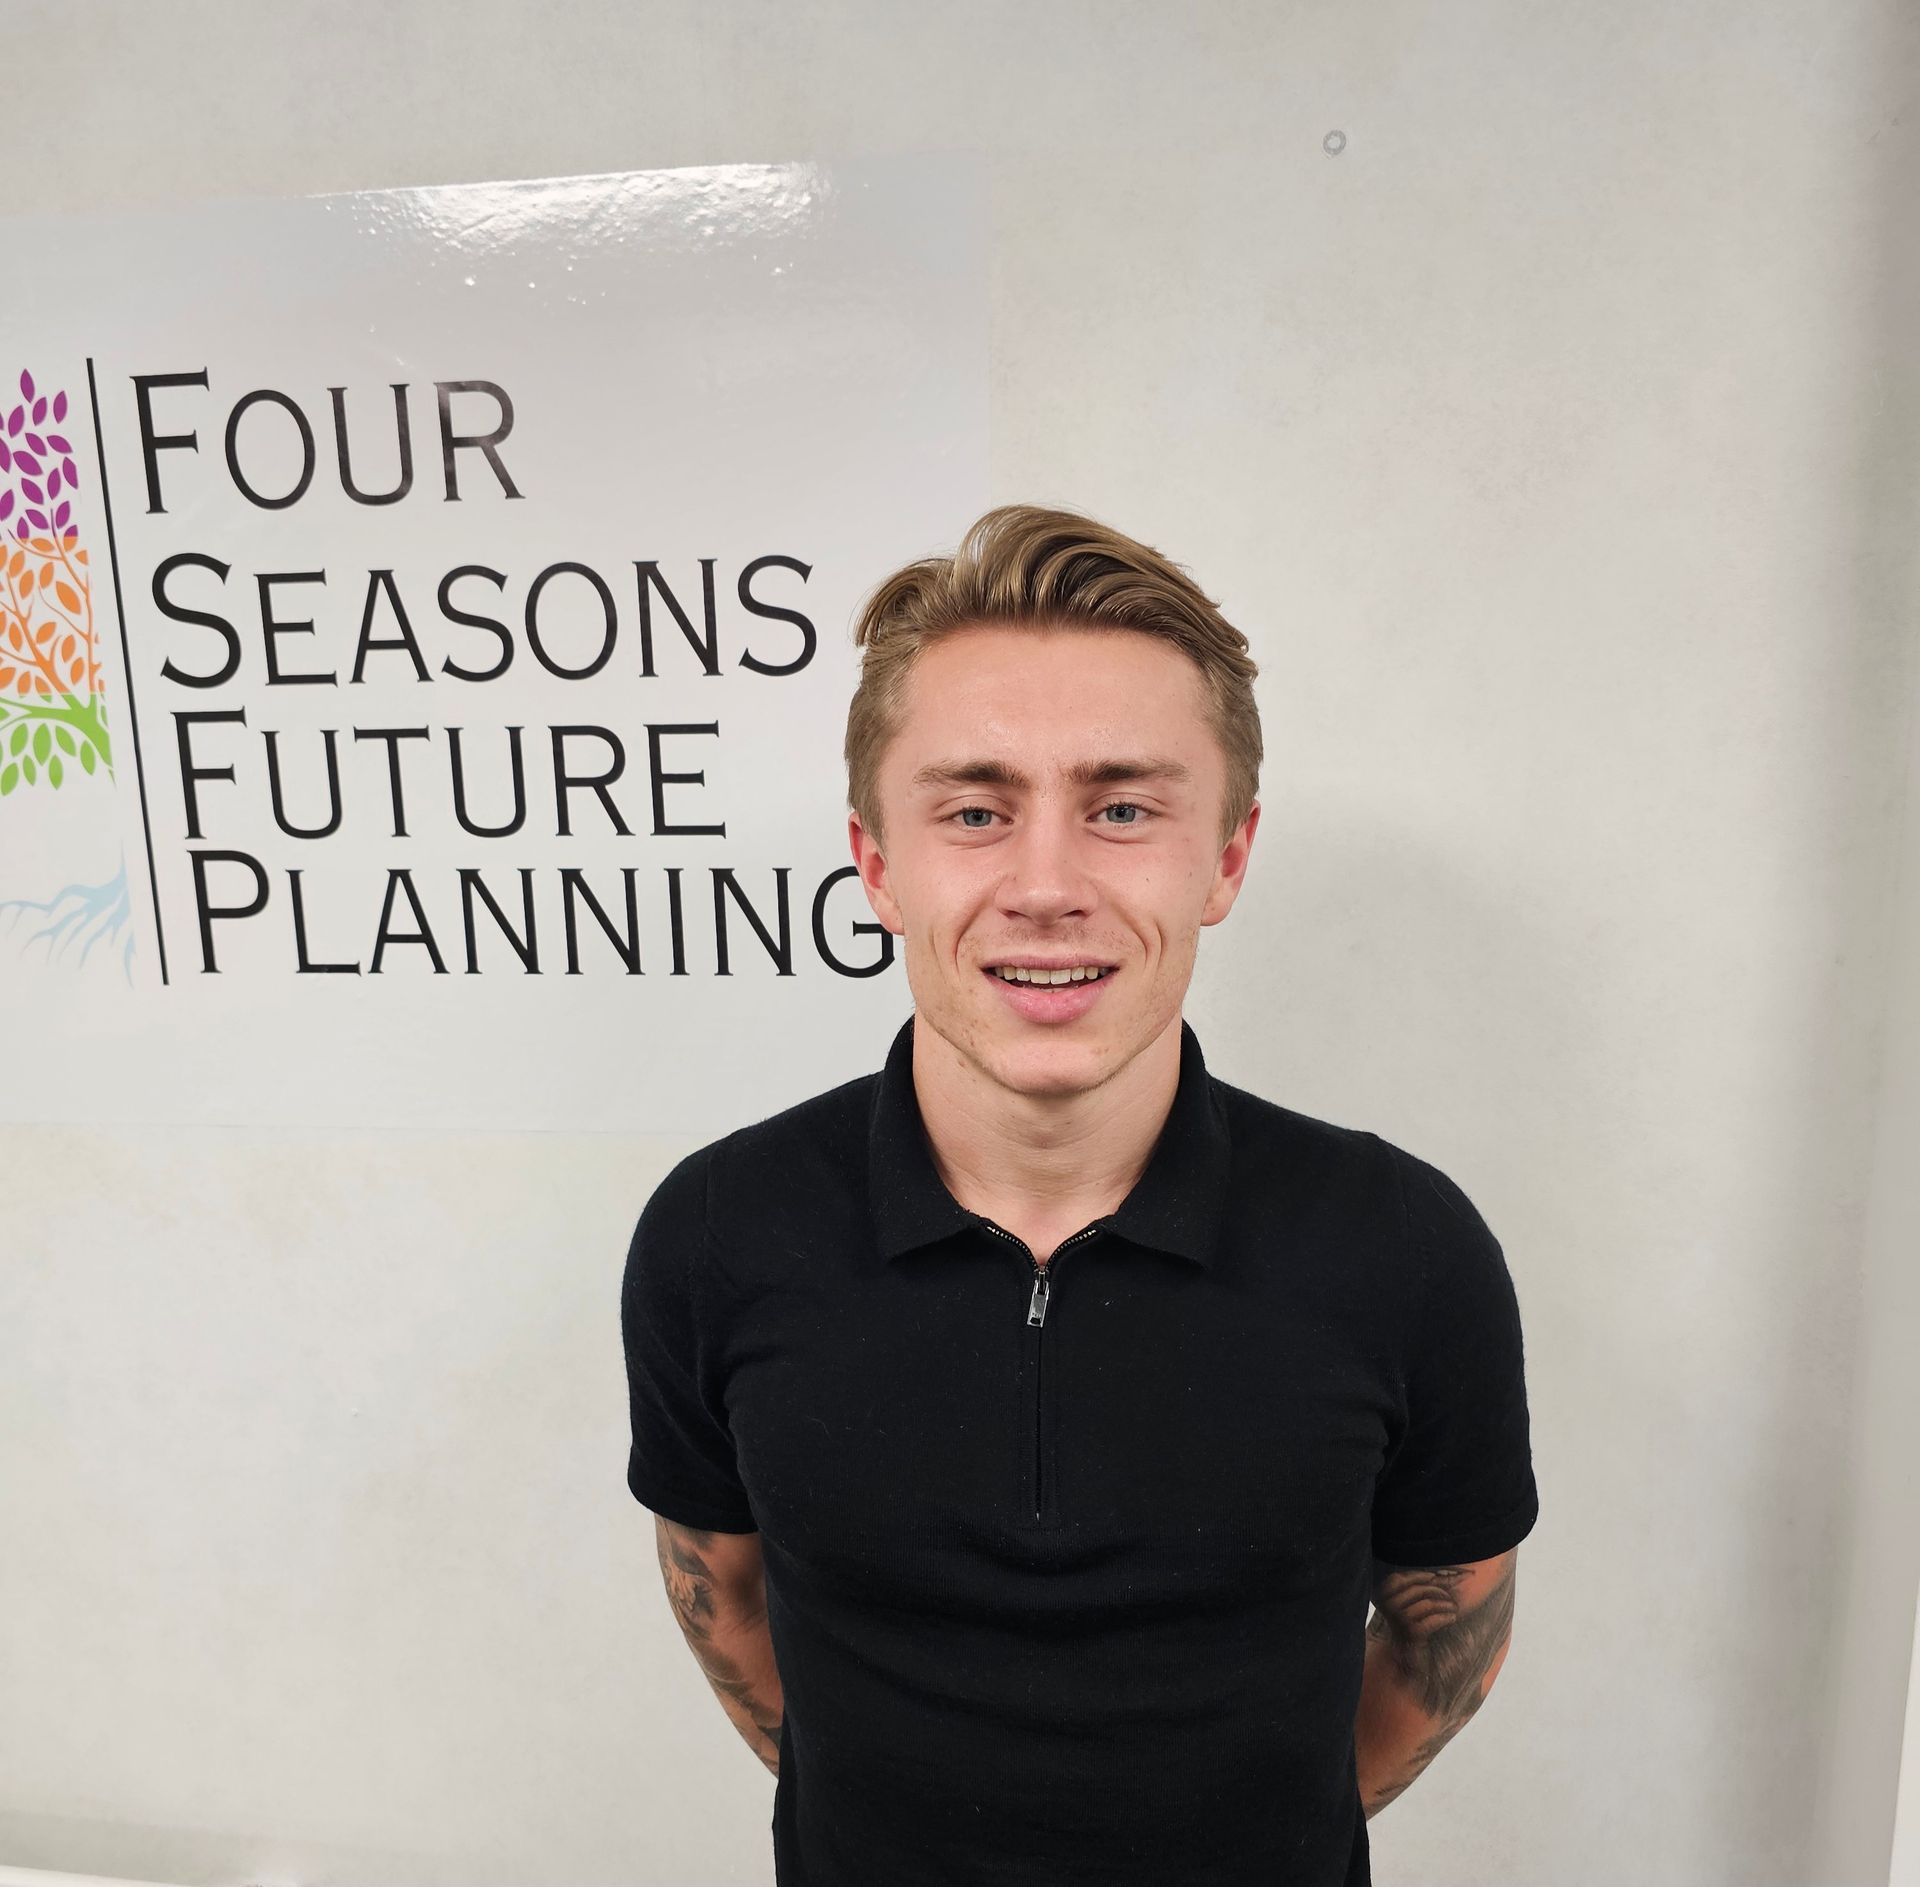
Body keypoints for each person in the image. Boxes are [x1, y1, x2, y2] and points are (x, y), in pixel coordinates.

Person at [621, 504, 1541, 1886]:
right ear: (880, 863)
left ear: (1224, 857)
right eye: (976, 811)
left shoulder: (1405, 1250)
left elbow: (1444, 1642)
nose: (1045, 886)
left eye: (1122, 808)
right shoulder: (716, 1232)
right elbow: (727, 1600)